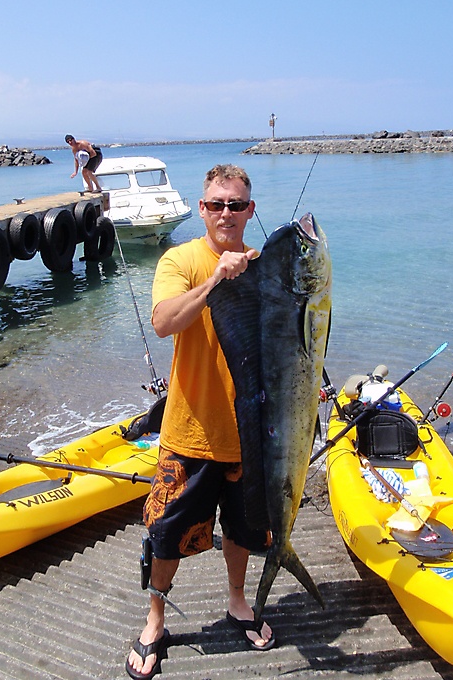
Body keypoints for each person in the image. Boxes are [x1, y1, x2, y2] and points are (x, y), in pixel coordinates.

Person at [125, 164, 275, 680]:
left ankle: (237, 600)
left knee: (244, 528)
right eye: (216, 204)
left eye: (236, 205)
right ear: (203, 207)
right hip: (189, 431)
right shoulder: (181, 259)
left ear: (250, 210)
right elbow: (164, 322)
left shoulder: (267, 266)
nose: (226, 213)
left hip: (251, 433)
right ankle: (155, 618)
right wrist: (216, 279)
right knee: (166, 532)